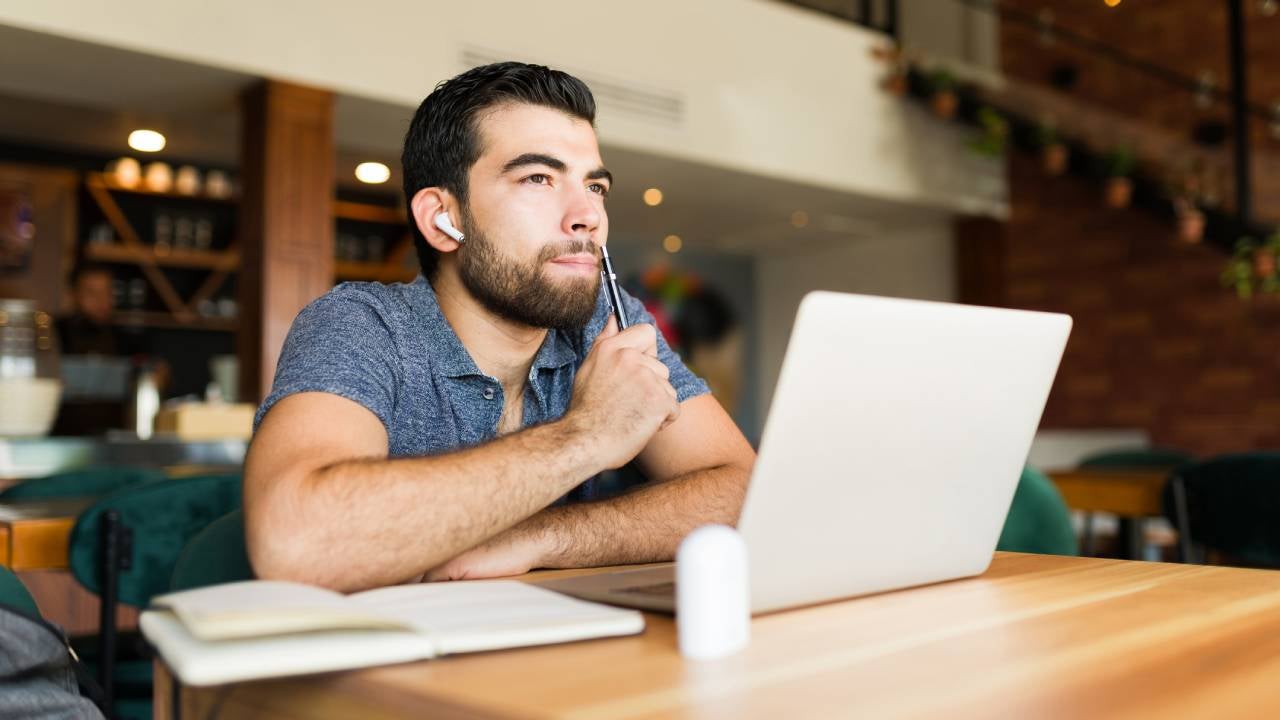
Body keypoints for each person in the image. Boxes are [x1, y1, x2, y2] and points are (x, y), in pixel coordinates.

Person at [244, 62, 756, 592]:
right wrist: (585, 434)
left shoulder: (606, 320)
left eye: (595, 186)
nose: (588, 216)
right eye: (538, 178)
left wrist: (544, 537)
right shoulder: (361, 325)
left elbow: (744, 491)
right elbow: (295, 543)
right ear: (443, 218)